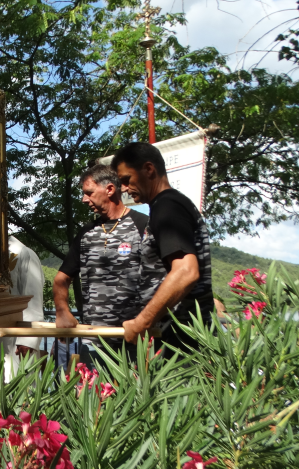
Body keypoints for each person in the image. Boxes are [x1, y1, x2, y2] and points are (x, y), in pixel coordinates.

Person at [111, 142, 215, 352]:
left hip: (184, 341)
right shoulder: (168, 205)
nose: (123, 189)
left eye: (126, 179)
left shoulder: (167, 207)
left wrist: (143, 322)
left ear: (149, 169)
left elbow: (186, 271)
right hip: (180, 336)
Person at [54, 164, 155, 362]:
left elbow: (161, 280)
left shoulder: (143, 225)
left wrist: (149, 322)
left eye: (89, 193)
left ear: (109, 189)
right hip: (93, 341)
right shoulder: (86, 233)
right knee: (90, 393)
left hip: (135, 342)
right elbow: (61, 279)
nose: (84, 199)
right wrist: (62, 311)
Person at [0, 235, 46, 381]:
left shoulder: (23, 254)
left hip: (15, 340)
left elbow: (33, 299)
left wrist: (28, 340)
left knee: (17, 386)